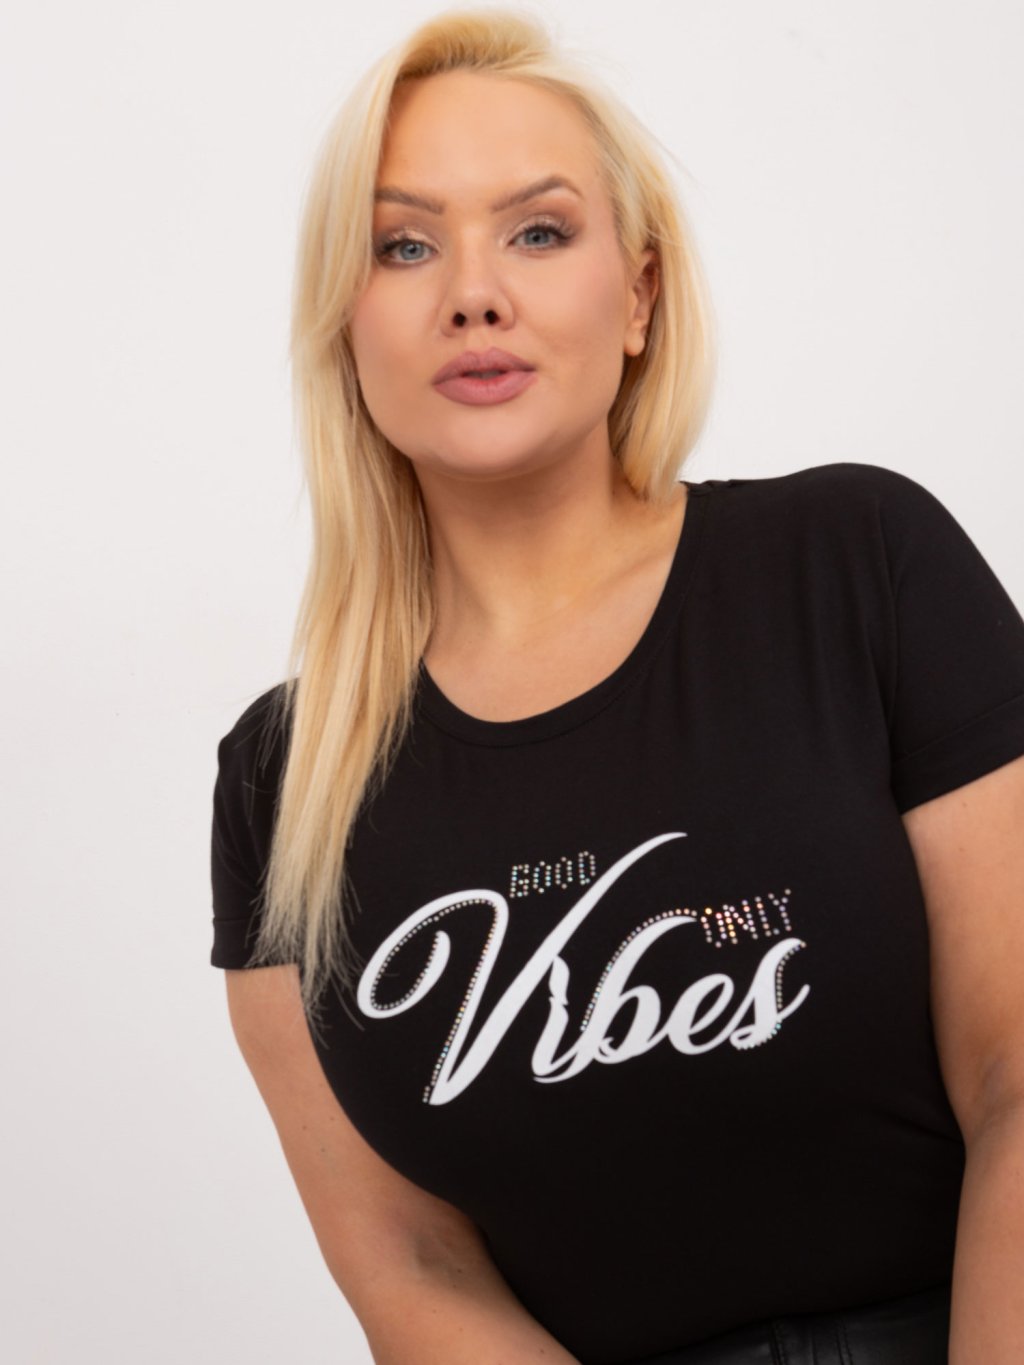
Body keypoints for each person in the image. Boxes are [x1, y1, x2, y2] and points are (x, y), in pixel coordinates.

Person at [208, 9, 1024, 1364]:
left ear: (639, 295)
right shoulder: (279, 784)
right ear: (344, 325)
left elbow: (1018, 1076)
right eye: (403, 245)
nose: (474, 294)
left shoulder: (857, 565)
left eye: (538, 231)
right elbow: (411, 1266)